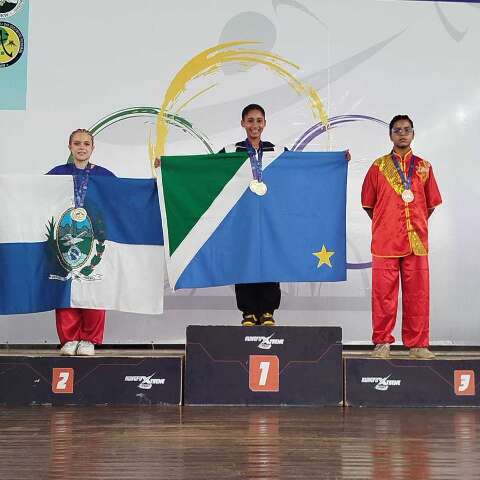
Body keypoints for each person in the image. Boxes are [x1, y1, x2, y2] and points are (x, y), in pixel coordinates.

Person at [361, 115, 442, 359]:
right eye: (398, 130)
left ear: (413, 134)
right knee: (383, 295)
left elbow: (430, 204)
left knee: (418, 294)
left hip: (416, 241)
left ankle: (418, 345)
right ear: (391, 135)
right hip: (385, 242)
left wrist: (414, 223)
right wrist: (386, 223)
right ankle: (382, 342)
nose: (402, 134)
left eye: (407, 130)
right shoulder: (378, 166)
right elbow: (368, 204)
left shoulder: (424, 167)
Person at [47, 129, 115, 356]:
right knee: (65, 286)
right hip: (64, 240)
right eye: (77, 143)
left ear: (93, 148)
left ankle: (90, 339)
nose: (82, 147)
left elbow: (125, 198)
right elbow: (35, 195)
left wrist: (158, 174)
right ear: (70, 147)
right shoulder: (57, 174)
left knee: (94, 285)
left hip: (96, 239)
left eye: (86, 143)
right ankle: (69, 338)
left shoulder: (105, 176)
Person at [218, 104, 280, 327]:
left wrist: (338, 160)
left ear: (265, 123)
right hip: (242, 219)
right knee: (244, 261)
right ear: (243, 123)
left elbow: (299, 169)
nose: (255, 125)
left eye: (259, 120)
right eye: (250, 120)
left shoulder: (276, 150)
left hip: (268, 218)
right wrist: (168, 166)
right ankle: (248, 313)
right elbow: (204, 170)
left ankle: (267, 312)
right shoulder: (230, 151)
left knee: (270, 260)